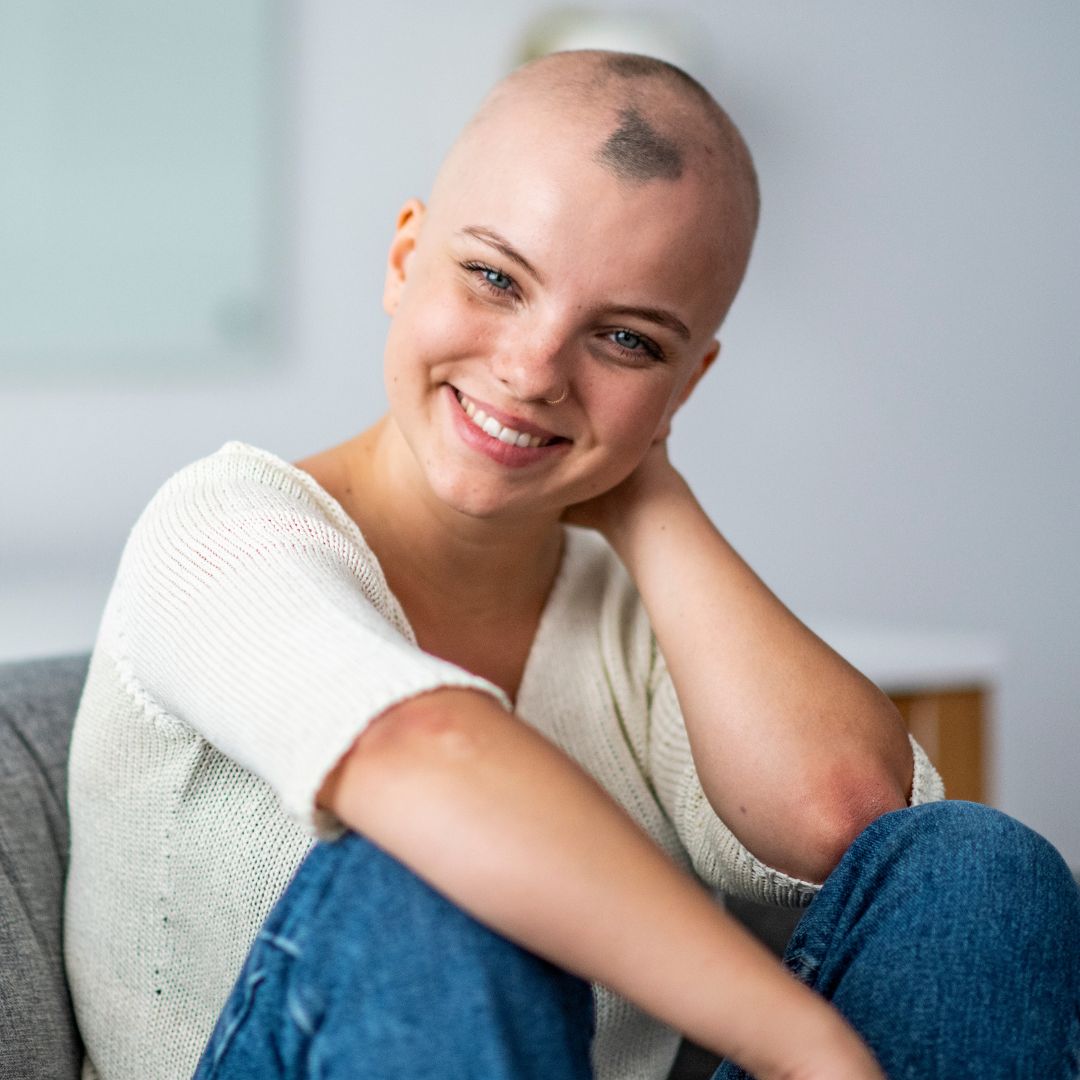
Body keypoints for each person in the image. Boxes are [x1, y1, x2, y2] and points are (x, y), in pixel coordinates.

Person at [63, 49, 1079, 1080]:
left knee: (980, 870)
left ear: (688, 382)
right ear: (405, 257)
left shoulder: (630, 610)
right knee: (441, 865)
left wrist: (649, 497)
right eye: (496, 278)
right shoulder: (221, 526)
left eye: (628, 341)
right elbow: (433, 760)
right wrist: (796, 1039)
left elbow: (848, 822)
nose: (532, 369)